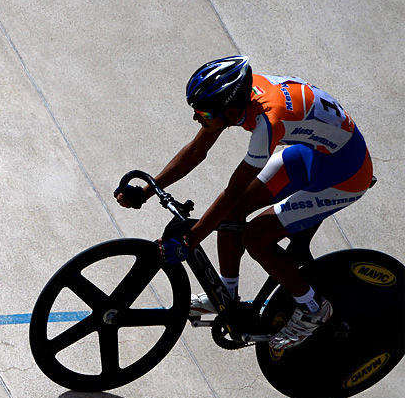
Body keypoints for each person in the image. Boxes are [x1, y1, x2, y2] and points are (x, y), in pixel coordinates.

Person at [115, 55, 374, 351]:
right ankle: (224, 295)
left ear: (232, 109)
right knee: (233, 215)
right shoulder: (238, 96)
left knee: (256, 237)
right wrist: (147, 191)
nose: (197, 119)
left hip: (346, 174)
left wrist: (190, 240)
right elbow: (196, 150)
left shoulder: (266, 121)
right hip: (312, 153)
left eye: (205, 114)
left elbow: (234, 190)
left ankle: (314, 308)